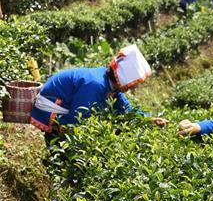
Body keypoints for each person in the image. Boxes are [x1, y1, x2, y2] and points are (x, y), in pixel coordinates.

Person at [30, 45, 168, 142]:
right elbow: (77, 117)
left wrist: (148, 119)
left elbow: (126, 110)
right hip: (53, 105)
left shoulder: (111, 85)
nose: (132, 88)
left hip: (66, 103)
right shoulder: (96, 84)